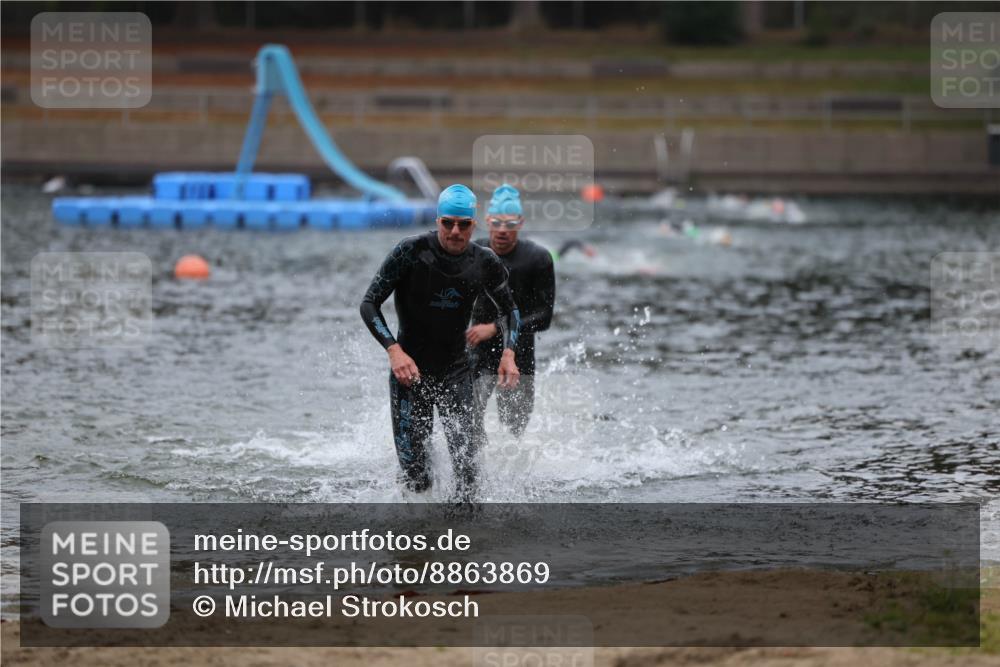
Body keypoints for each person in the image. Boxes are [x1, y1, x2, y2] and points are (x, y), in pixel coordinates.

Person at [360, 184, 521, 501]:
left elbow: (511, 311)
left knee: (468, 477)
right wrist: (394, 351)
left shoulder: (484, 261)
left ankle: (462, 548)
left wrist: (509, 353)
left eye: (463, 224)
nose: (455, 231)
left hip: (456, 374)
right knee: (415, 478)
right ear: (438, 221)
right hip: (410, 375)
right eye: (448, 222)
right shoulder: (411, 251)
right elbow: (369, 304)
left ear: (474, 225)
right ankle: (417, 549)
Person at [467, 184, 555, 439]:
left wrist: (494, 328)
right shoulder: (473, 253)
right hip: (477, 351)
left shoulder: (537, 259)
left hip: (519, 354)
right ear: (486, 221)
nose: (503, 230)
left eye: (510, 223)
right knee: (468, 422)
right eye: (497, 222)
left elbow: (544, 317)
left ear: (521, 223)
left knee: (514, 433)